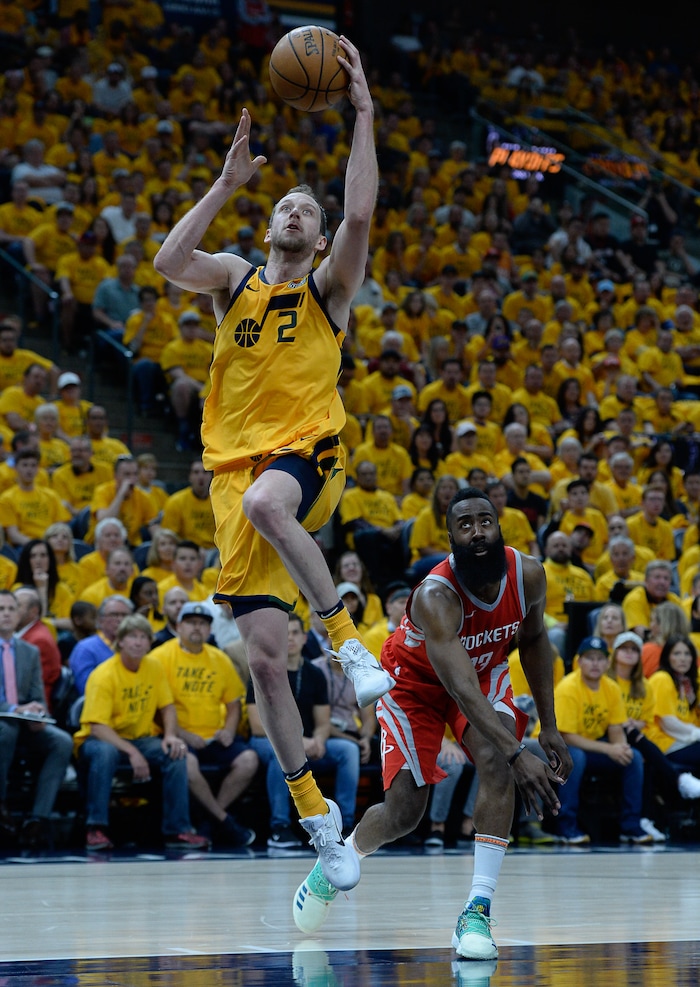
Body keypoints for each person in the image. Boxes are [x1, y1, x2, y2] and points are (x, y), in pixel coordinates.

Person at [153, 40, 391, 892]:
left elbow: (360, 215)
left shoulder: (328, 290)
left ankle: (348, 643)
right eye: (284, 205)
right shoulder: (235, 280)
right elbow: (168, 263)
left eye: (306, 210)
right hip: (236, 476)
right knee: (260, 658)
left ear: (319, 238)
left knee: (267, 503)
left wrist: (362, 114)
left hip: (309, 455)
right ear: (268, 226)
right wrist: (226, 185)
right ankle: (318, 819)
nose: (294, 211)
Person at [292, 488, 571, 960]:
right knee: (404, 813)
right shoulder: (435, 596)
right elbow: (459, 688)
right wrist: (518, 752)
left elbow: (535, 638)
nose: (477, 531)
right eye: (465, 525)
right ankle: (340, 856)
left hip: (484, 670)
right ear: (450, 538)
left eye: (485, 521)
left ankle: (476, 911)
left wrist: (549, 726)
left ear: (500, 527)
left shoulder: (528, 574)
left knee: (496, 761)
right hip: (414, 684)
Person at [73, 613, 210, 852]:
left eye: (143, 637)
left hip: (140, 739)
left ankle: (177, 830)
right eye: (132, 637)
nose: (138, 642)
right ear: (120, 641)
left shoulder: (154, 667)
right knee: (105, 754)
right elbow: (97, 726)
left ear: (149, 642)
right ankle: (95, 828)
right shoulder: (103, 674)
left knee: (176, 753)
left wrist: (170, 736)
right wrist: (133, 753)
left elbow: (167, 707)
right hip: (100, 739)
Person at [249, 613, 365, 849]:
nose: (290, 638)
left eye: (295, 633)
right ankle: (280, 827)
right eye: (284, 634)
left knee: (348, 750)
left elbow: (323, 722)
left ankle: (344, 824)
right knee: (280, 754)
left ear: (304, 638)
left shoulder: (315, 674)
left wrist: (319, 740)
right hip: (267, 741)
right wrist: (298, 742)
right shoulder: (262, 671)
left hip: (308, 742)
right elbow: (257, 726)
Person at [151, 601, 258, 848]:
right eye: (190, 623)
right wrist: (183, 734)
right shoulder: (159, 658)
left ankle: (212, 819)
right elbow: (155, 709)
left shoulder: (219, 658)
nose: (197, 628)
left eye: (202, 623)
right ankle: (225, 821)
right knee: (185, 761)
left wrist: (229, 730)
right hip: (177, 736)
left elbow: (234, 704)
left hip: (213, 737)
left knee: (249, 760)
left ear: (210, 629)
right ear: (178, 626)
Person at [553, 635, 651, 845]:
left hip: (590, 746)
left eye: (600, 659)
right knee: (575, 757)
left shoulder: (611, 688)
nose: (595, 664)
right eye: (590, 658)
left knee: (633, 757)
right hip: (556, 748)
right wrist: (609, 749)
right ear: (579, 662)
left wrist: (621, 747)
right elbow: (566, 736)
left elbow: (615, 728)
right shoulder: (568, 688)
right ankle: (566, 826)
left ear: (608, 663)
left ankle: (631, 826)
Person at [0, 590, 73, 848]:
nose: (6, 614)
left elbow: (37, 695)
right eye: (1, 609)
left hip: (24, 722)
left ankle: (38, 818)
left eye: (11, 609)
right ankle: (1, 806)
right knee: (5, 731)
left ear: (19, 614)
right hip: (4, 722)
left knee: (61, 741)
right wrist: (13, 708)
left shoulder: (29, 651)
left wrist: (38, 711)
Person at [69, 595, 134, 695]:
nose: (120, 620)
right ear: (100, 619)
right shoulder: (86, 648)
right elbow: (87, 688)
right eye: (114, 615)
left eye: (125, 615)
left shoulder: (136, 646)